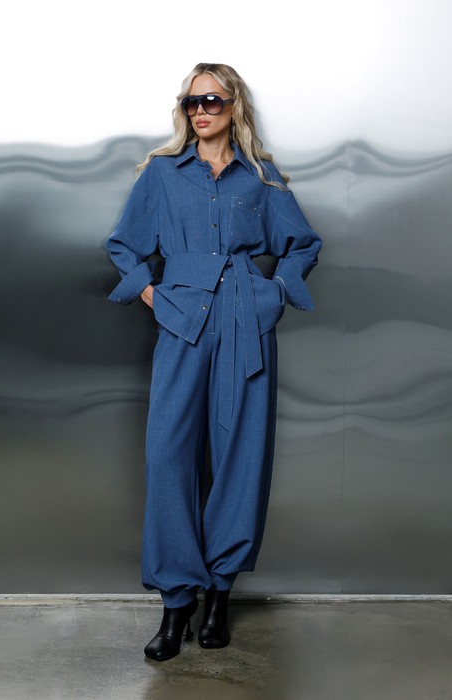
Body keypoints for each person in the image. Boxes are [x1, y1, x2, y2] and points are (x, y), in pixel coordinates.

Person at [105, 62, 322, 661]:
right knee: (168, 453)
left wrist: (276, 292)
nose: (200, 111)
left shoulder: (261, 177)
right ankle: (177, 600)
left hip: (246, 319)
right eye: (192, 102)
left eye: (213, 101)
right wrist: (151, 293)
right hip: (182, 318)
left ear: (234, 106)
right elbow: (124, 244)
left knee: (239, 455)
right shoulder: (162, 174)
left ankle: (220, 593)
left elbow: (303, 243)